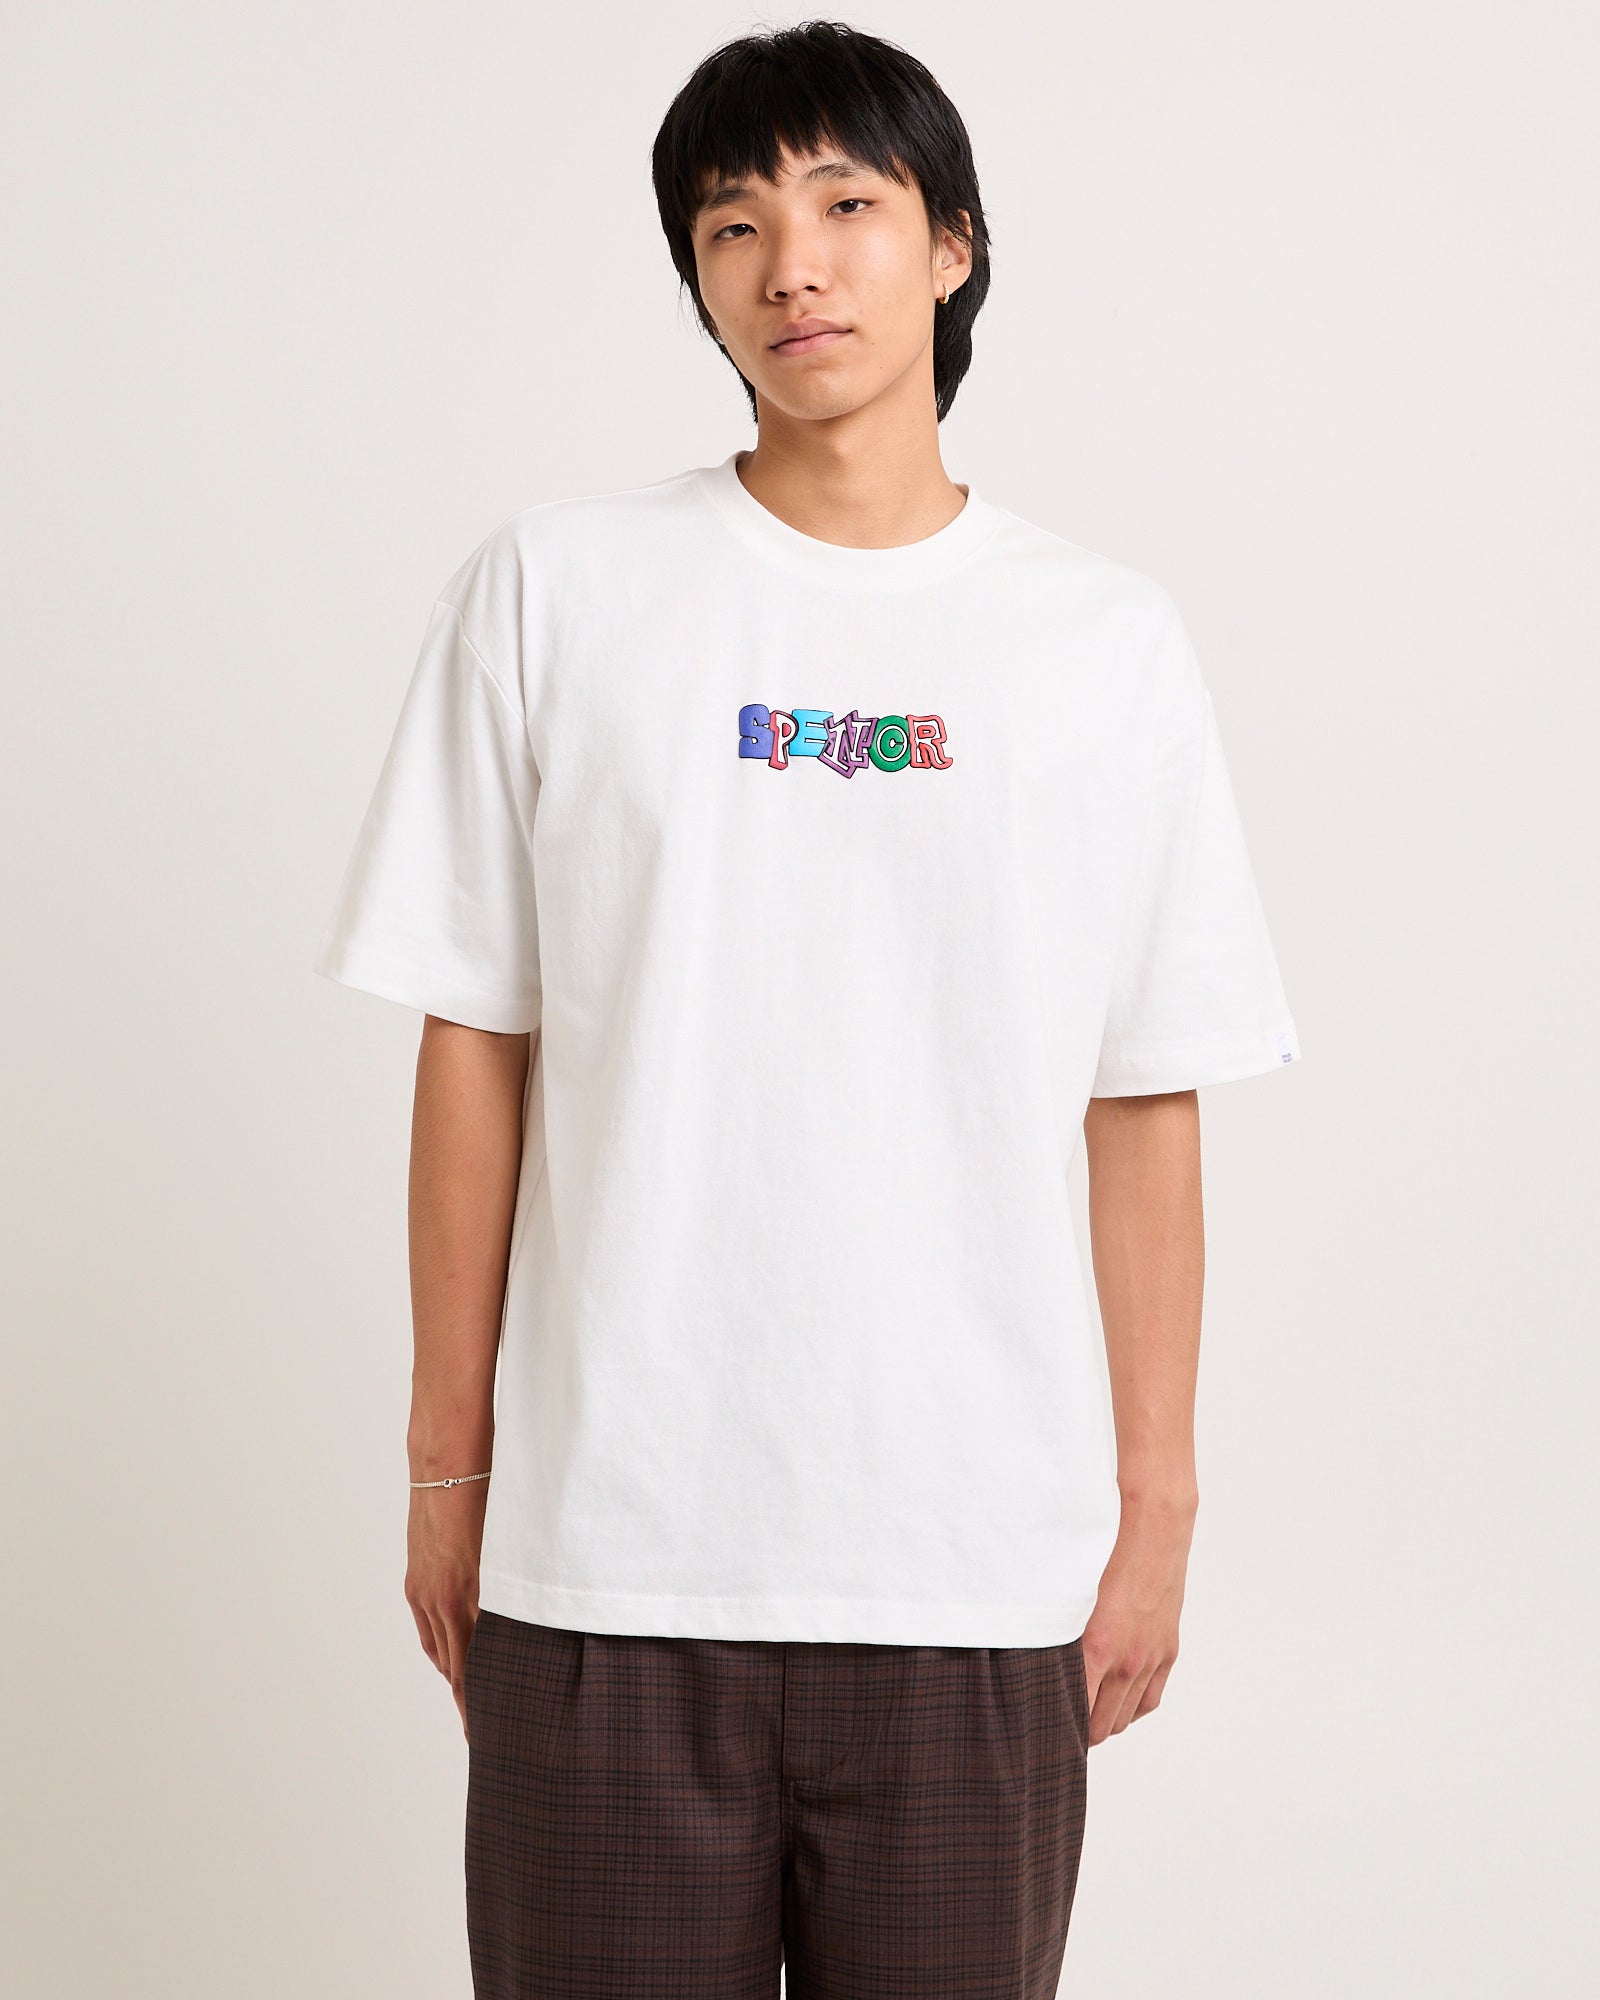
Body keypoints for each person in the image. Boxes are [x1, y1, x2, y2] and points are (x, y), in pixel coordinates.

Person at [312, 19, 1299, 1997]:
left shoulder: (1100, 643)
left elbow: (1143, 1092)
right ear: (695, 278)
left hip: (971, 1577)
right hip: (612, 1561)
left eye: (848, 204)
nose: (793, 266)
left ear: (951, 244)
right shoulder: (557, 591)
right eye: (733, 224)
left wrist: (1157, 1509)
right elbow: (475, 1039)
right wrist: (446, 1465)